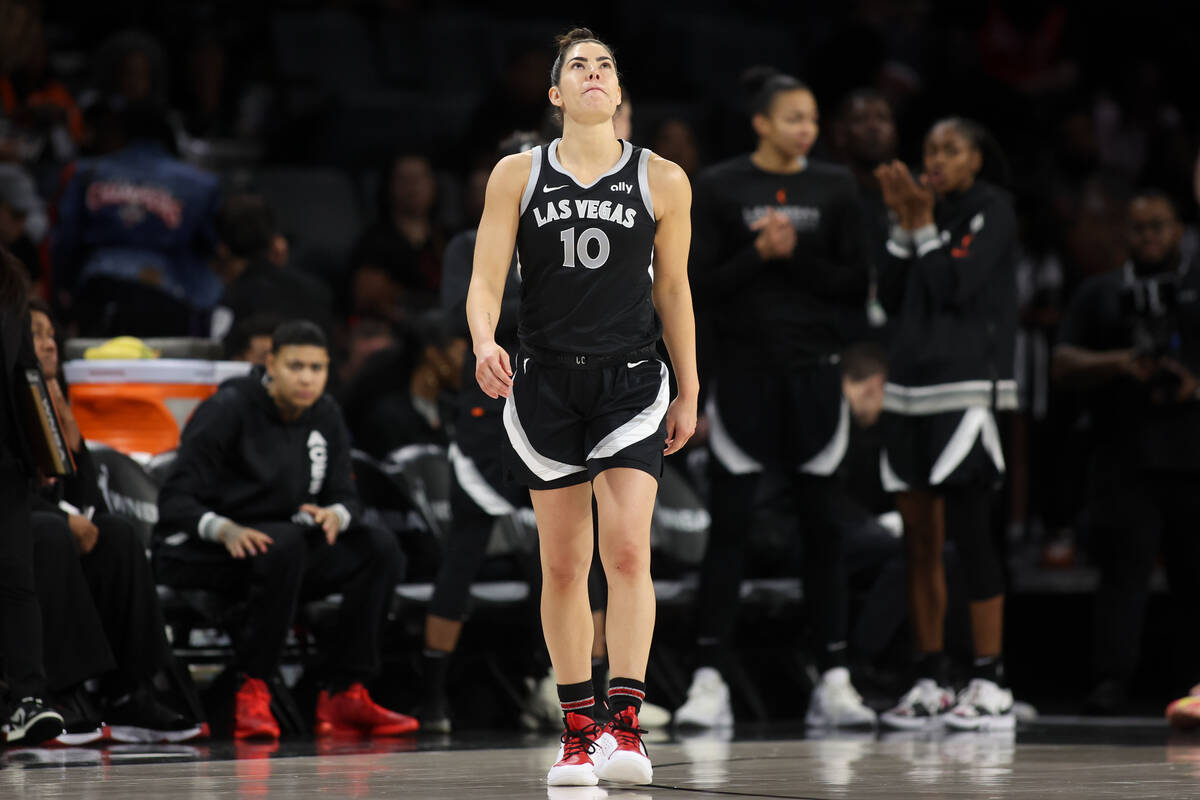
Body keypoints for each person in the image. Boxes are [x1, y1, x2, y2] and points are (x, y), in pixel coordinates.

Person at [467, 28, 697, 786]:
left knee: (628, 549)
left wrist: (689, 386)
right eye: (578, 67)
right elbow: (487, 278)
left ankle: (625, 727)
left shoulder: (663, 179)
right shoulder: (517, 173)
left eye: (606, 66)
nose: (593, 74)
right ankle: (577, 734)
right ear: (557, 94)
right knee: (562, 565)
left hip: (632, 381)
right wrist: (482, 340)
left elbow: (673, 290)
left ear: (619, 92)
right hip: (544, 384)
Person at [677, 67, 875, 731]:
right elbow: (696, 286)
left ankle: (837, 677)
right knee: (728, 529)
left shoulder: (837, 186)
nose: (807, 130)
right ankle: (708, 679)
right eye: (794, 118)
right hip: (743, 376)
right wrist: (758, 254)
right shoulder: (720, 186)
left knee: (824, 529)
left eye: (813, 119)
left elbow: (855, 286)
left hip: (816, 375)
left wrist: (797, 261)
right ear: (761, 122)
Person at [153, 320, 416, 740]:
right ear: (270, 363)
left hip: (281, 551)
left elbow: (347, 496)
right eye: (296, 366)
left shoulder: (325, 412)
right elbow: (175, 500)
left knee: (378, 546)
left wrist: (336, 516)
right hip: (209, 550)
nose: (307, 378)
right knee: (286, 543)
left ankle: (344, 691)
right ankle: (253, 688)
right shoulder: (229, 408)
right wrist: (224, 529)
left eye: (317, 368)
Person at [873, 117, 1019, 730]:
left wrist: (921, 223)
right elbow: (892, 291)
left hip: (966, 393)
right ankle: (930, 675)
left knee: (971, 532)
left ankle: (990, 678)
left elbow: (955, 288)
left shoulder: (995, 208)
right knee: (920, 542)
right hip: (907, 392)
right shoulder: (915, 211)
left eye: (951, 150)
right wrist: (907, 225)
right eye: (929, 148)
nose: (936, 159)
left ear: (977, 160)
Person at [29, 298, 204, 743]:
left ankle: (129, 693)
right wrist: (59, 517)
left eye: (52, 335)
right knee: (51, 533)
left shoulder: (55, 402)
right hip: (22, 534)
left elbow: (84, 495)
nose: (49, 345)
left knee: (119, 536)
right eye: (35, 335)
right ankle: (54, 694)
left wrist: (67, 428)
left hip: (47, 531)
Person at [1052, 190, 1200, 714]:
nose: (1150, 237)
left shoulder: (1194, 289)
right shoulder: (1101, 291)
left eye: (1159, 226)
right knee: (1121, 576)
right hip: (1125, 455)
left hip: (1191, 457)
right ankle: (1111, 681)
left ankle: (1197, 683)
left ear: (1179, 229)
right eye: (1138, 228)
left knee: (1194, 576)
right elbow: (1062, 360)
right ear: (1125, 234)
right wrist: (1120, 363)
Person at [51, 101, 221, 337]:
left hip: (99, 287)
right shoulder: (201, 182)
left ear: (120, 134)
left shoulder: (86, 172)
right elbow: (208, 245)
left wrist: (63, 294)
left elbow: (65, 242)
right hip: (169, 292)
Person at [0, 245, 63, 745]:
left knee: (17, 582)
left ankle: (29, 699)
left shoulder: (9, 290)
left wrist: (45, 454)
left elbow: (27, 379)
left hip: (6, 464)